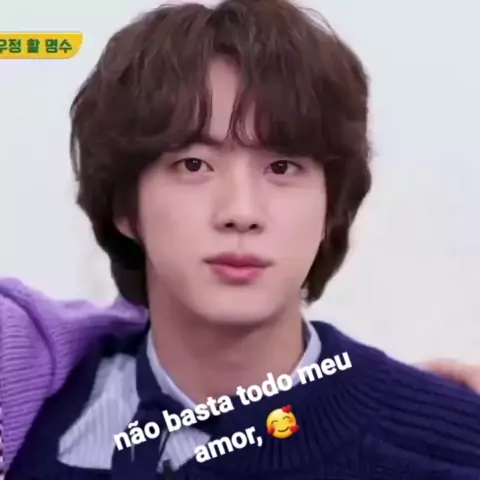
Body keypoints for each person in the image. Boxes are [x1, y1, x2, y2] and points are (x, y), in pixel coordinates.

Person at [4, 0, 480, 478]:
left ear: (330, 207)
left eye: (282, 167)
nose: (241, 212)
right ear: (125, 207)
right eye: (194, 165)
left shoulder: (453, 445)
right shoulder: (26, 427)